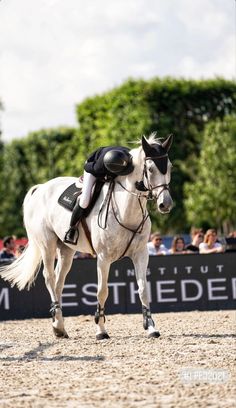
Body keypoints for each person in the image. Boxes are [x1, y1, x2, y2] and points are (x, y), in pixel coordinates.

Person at [64, 146, 134, 244]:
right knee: (84, 201)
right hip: (92, 168)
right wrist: (105, 177)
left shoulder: (130, 158)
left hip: (117, 164)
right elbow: (87, 167)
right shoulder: (98, 167)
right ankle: (72, 229)